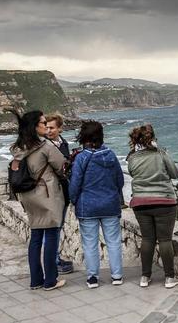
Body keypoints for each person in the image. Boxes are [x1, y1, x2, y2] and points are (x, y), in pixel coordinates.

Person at [10, 110, 67, 291]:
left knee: (35, 237)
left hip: (28, 195)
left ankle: (36, 280)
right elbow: (62, 166)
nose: (46, 126)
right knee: (51, 236)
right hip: (47, 195)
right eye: (43, 123)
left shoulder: (18, 147)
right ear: (35, 126)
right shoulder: (46, 146)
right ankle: (50, 280)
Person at [126, 124, 178, 289]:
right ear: (152, 139)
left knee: (147, 239)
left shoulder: (132, 158)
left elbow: (132, 173)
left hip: (140, 203)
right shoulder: (160, 154)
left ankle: (145, 277)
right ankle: (169, 278)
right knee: (165, 239)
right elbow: (175, 173)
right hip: (164, 201)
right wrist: (165, 155)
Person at [69, 120, 124, 289]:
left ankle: (93, 277)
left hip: (88, 206)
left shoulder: (81, 158)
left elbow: (75, 183)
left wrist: (73, 200)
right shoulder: (111, 155)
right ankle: (117, 276)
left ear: (84, 136)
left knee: (90, 243)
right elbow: (120, 181)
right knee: (114, 241)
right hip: (110, 204)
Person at [45, 112, 73, 275]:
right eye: (46, 127)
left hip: (64, 192)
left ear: (60, 129)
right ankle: (53, 262)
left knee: (58, 226)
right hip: (50, 192)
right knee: (53, 228)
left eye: (52, 128)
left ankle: (55, 259)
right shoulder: (44, 146)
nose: (48, 131)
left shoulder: (64, 144)